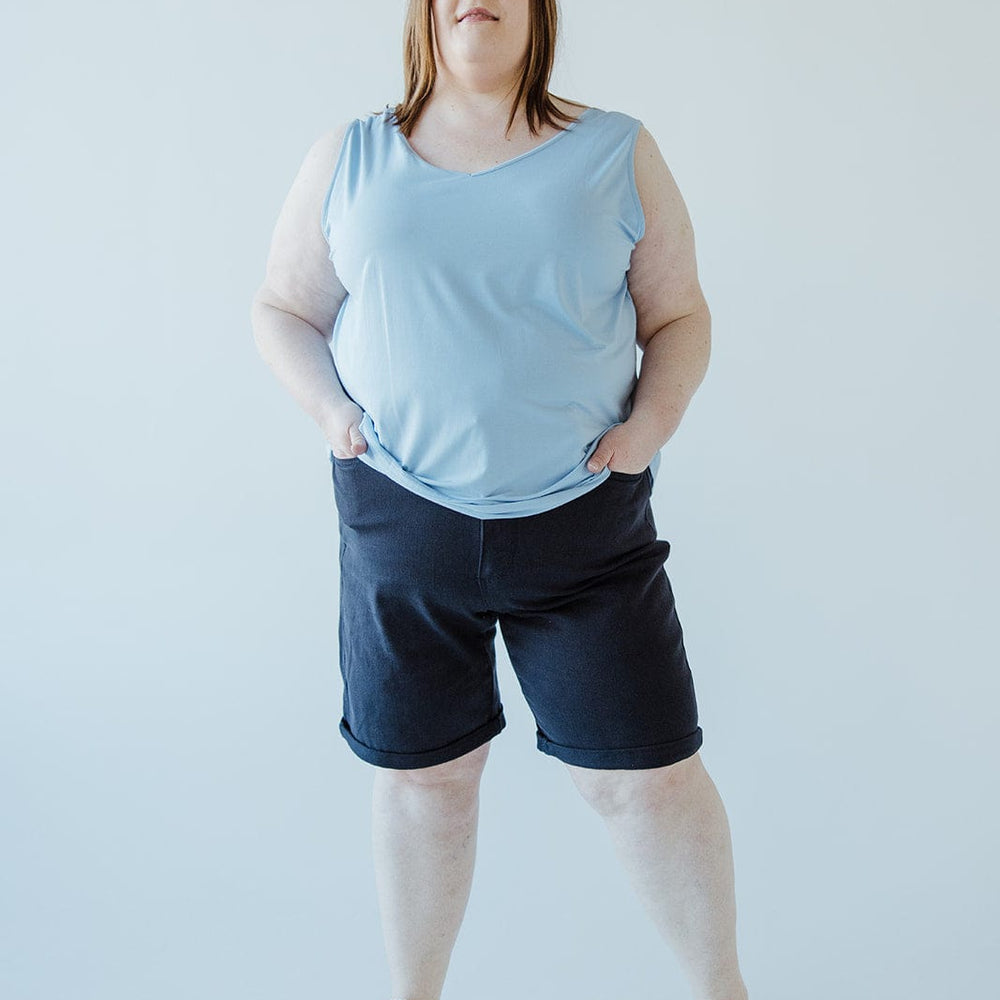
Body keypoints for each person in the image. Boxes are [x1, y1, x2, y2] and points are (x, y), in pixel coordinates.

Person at [250, 3, 749, 999]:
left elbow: (680, 315)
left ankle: (722, 990)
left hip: (585, 526)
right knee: (426, 783)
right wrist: (328, 411)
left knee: (644, 781)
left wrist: (651, 425)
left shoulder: (615, 150)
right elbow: (284, 309)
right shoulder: (348, 156)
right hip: (402, 523)